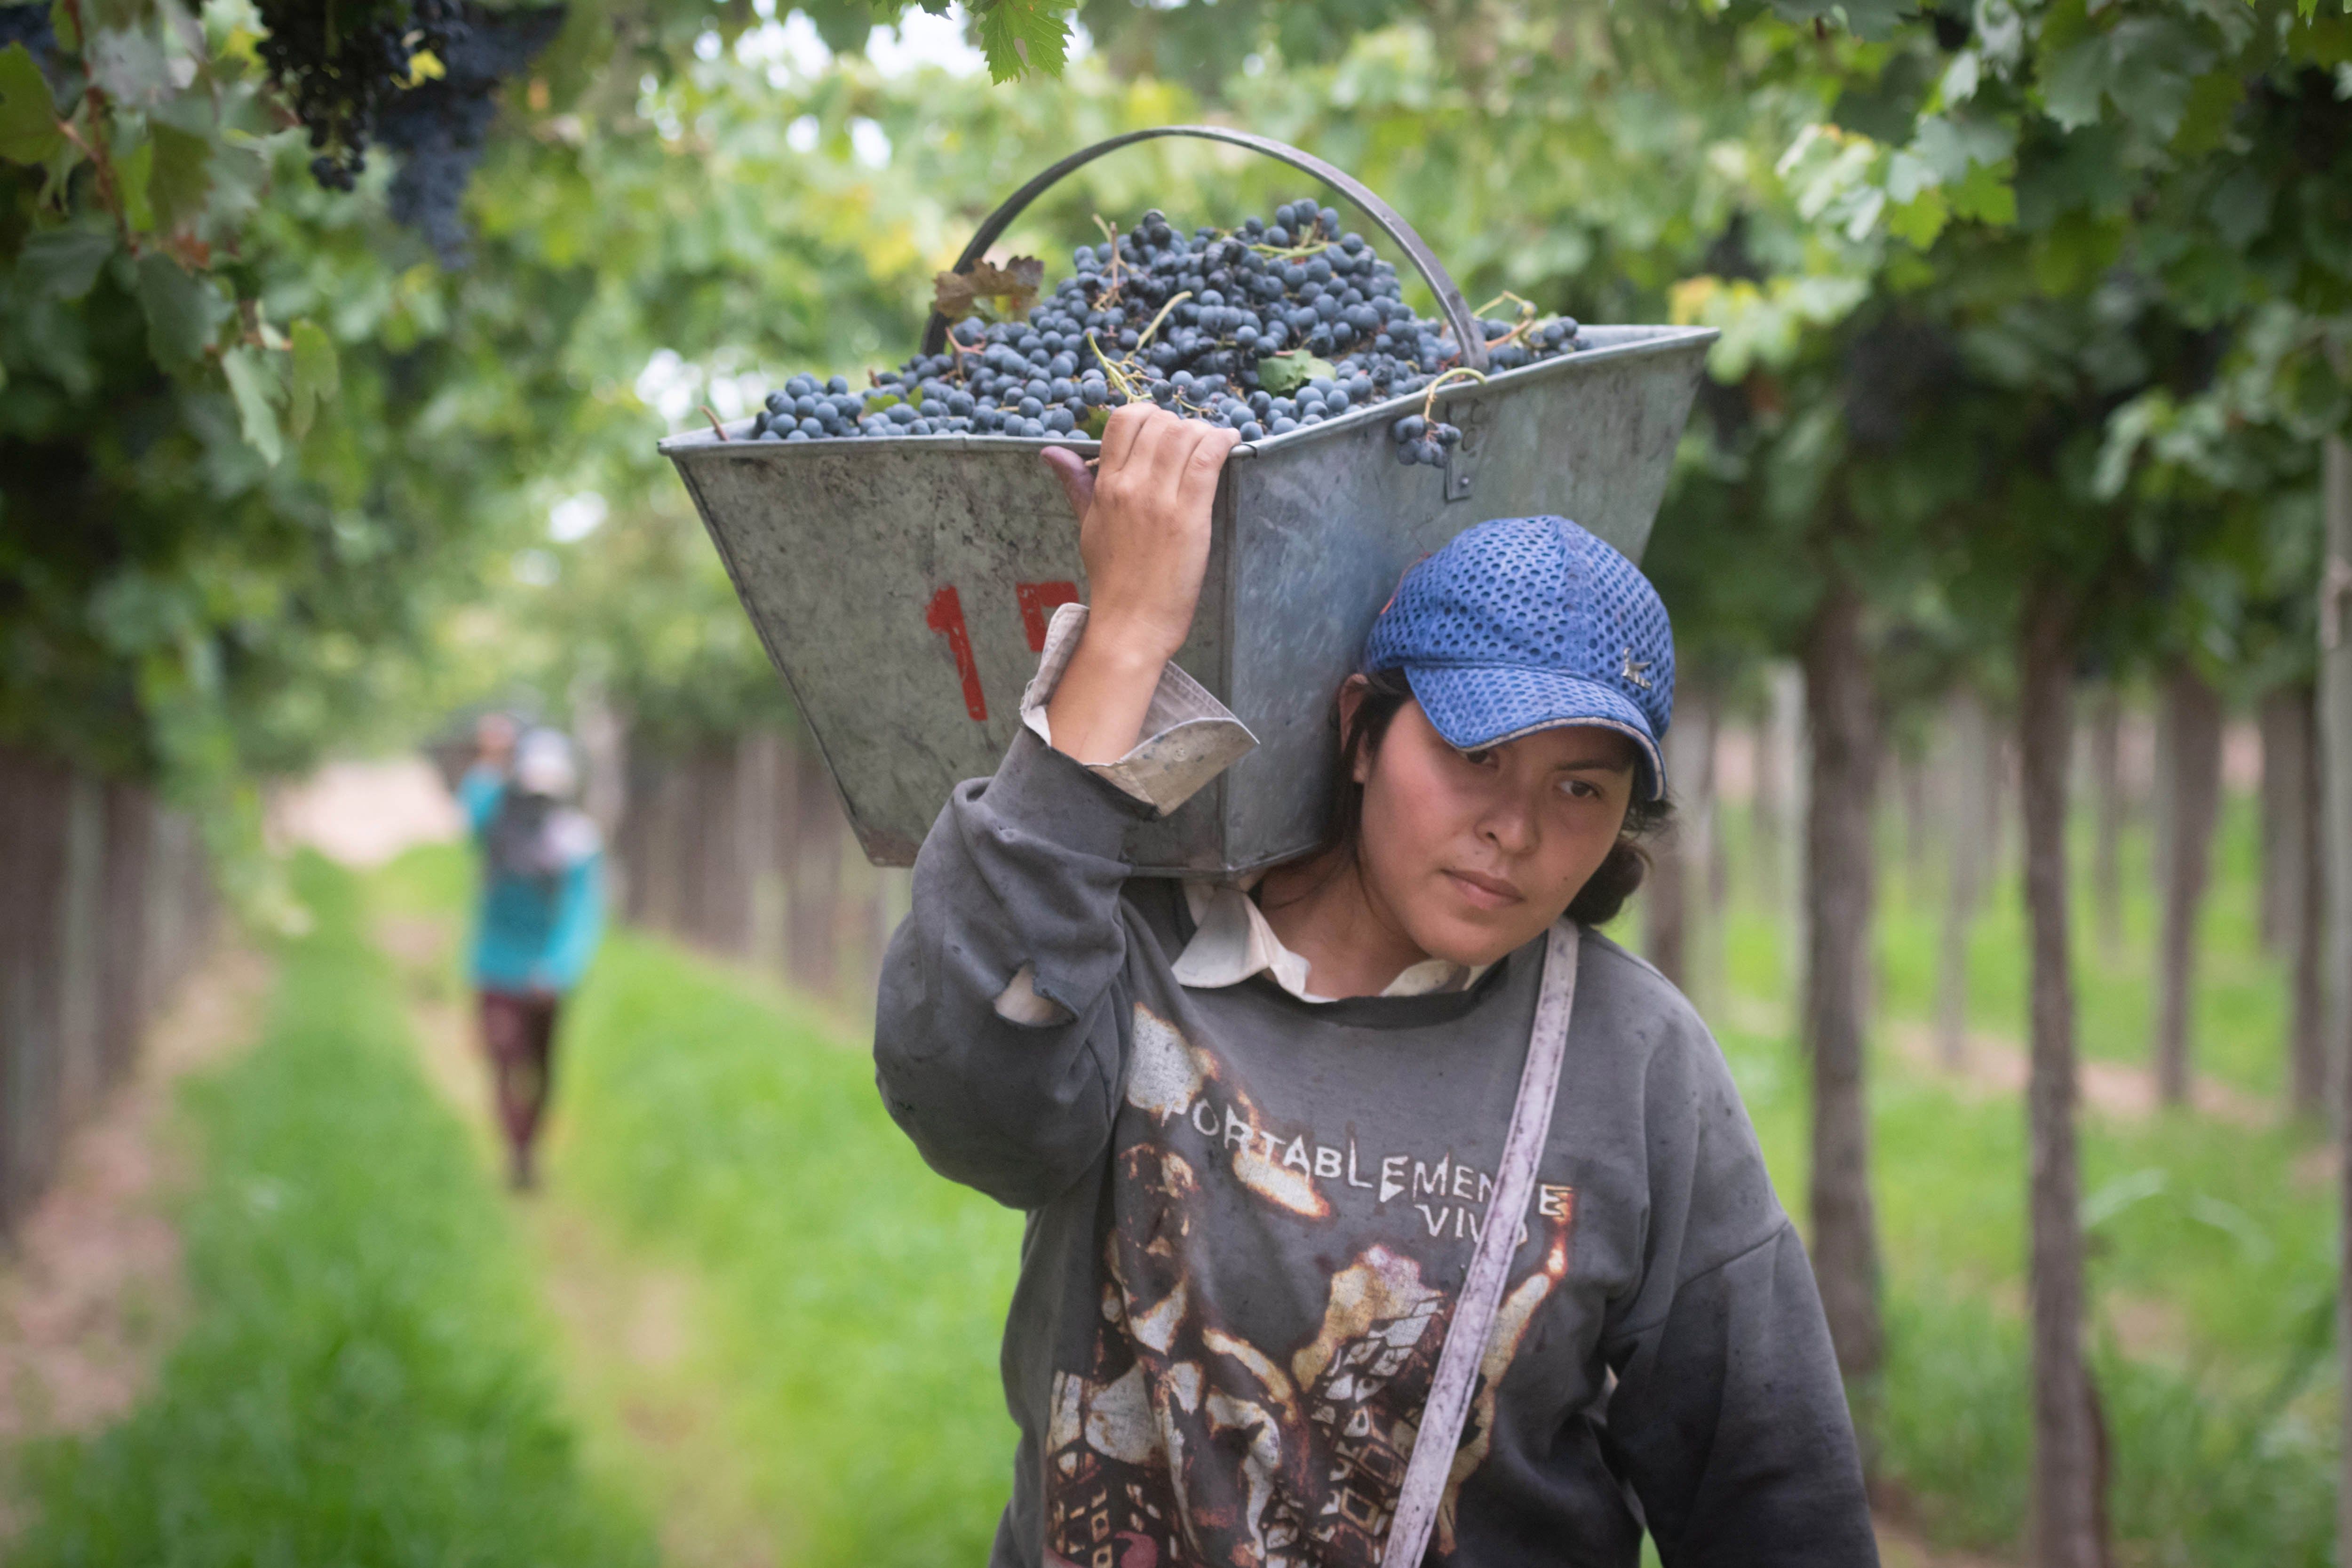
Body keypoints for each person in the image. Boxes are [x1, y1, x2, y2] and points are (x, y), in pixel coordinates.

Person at [872, 405, 1875, 1567]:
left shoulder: (1632, 1061)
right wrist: (1127, 637)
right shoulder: (1135, 959)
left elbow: (1769, 1489)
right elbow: (972, 1107)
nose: (1512, 829)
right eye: (1474, 755)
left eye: (1579, 791)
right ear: (1360, 729)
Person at [464, 726, 604, 1191]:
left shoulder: (577, 840)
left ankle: (528, 1151)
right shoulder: (495, 821)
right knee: (504, 1056)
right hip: (495, 965)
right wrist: (491, 753)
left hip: (544, 973)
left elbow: (583, 913)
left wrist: (559, 968)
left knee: (541, 1068)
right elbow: (471, 805)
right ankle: (516, 1151)